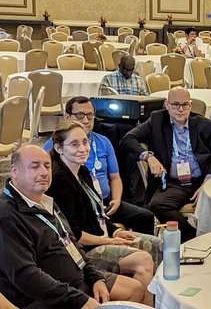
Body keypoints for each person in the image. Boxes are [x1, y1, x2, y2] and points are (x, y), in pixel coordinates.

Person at [0, 145, 152, 309]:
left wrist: (95, 277)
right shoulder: (3, 217)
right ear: (14, 172)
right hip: (39, 299)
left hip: (73, 281)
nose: (43, 172)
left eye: (47, 166)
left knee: (135, 289)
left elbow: (72, 243)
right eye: (35, 167)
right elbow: (26, 277)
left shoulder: (45, 200)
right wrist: (80, 300)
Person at [47, 121, 160, 281]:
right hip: (81, 250)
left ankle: (158, 301)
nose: (82, 148)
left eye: (85, 142)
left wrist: (116, 231)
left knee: (158, 245)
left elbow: (96, 214)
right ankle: (138, 303)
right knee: (143, 260)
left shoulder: (82, 171)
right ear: (59, 149)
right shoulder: (60, 180)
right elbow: (73, 234)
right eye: (74, 144)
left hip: (101, 237)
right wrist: (109, 241)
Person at [122, 85, 211, 241]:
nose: (181, 109)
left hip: (202, 179)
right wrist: (149, 157)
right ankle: (192, 236)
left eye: (185, 104)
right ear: (167, 105)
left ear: (190, 105)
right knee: (157, 205)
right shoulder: (157, 120)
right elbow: (127, 139)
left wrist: (207, 183)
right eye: (175, 105)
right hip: (174, 183)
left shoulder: (205, 125)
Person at [42, 96, 155, 234]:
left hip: (105, 202)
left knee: (145, 217)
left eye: (90, 116)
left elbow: (115, 177)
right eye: (79, 115)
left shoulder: (103, 142)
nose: (85, 120)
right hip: (81, 205)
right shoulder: (54, 146)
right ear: (67, 117)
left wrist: (117, 200)